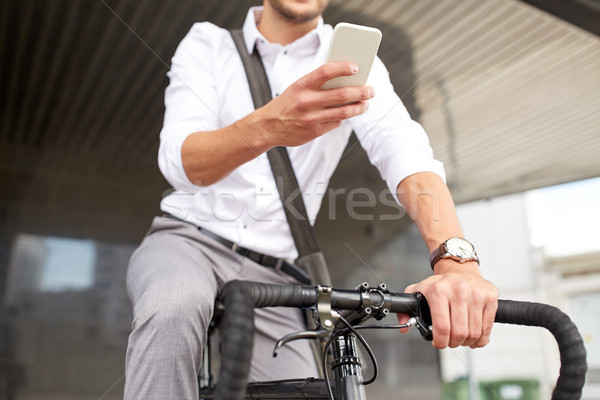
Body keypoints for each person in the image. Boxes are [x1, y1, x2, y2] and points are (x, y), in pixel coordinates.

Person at [124, 0, 499, 398]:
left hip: (273, 271)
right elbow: (181, 164)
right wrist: (271, 123)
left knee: (305, 391)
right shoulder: (208, 43)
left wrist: (454, 261)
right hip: (187, 241)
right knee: (171, 307)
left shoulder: (354, 62)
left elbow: (402, 149)